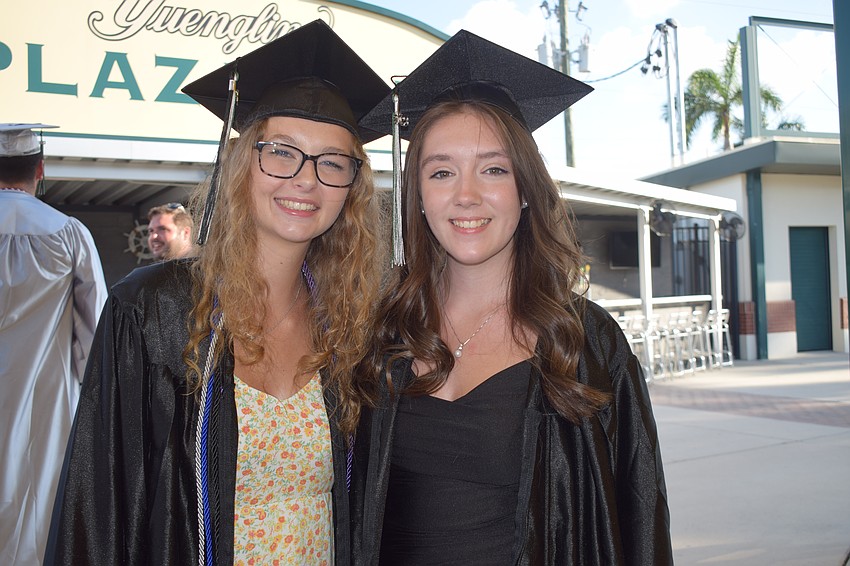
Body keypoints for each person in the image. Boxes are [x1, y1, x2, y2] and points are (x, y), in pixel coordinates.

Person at [47, 20, 388, 565]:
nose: (305, 179)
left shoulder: (350, 326)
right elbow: (99, 503)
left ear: (350, 187)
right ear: (241, 163)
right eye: (281, 151)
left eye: (332, 162)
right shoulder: (154, 310)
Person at [352, 30, 673, 565]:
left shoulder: (586, 343)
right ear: (419, 196)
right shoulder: (382, 331)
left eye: (493, 169)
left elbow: (639, 518)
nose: (466, 195)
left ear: (524, 190)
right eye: (442, 172)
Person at [0, 123, 107, 565]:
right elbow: (96, 331)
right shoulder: (67, 233)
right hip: (44, 404)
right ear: (40, 169)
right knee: (38, 520)